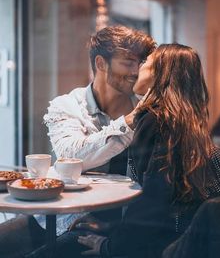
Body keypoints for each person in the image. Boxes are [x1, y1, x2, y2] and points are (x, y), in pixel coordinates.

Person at [0, 25, 156, 258]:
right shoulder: (67, 106)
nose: (136, 71)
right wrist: (130, 121)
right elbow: (72, 155)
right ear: (101, 64)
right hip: (60, 214)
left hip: (117, 225)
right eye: (128, 62)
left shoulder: (147, 111)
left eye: (140, 63)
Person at [74, 44, 220, 258]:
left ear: (160, 74)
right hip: (190, 241)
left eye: (145, 63)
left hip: (166, 248)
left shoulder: (156, 120)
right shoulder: (189, 123)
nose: (137, 69)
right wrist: (113, 228)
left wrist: (109, 247)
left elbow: (154, 203)